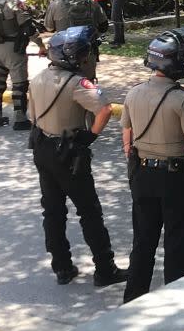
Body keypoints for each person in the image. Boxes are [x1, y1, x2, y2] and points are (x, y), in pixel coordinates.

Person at [121, 28, 184, 303]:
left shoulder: (133, 93)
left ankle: (132, 300)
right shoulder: (182, 99)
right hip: (174, 179)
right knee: (176, 243)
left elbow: (126, 139)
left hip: (142, 174)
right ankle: (174, 305)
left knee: (143, 242)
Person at [28, 26, 127, 287]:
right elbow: (104, 109)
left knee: (53, 211)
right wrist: (91, 136)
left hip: (42, 148)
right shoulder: (76, 84)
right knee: (89, 212)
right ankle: (104, 268)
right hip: (68, 152)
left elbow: (32, 116)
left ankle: (61, 267)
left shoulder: (38, 78)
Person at [0, 0, 45, 131]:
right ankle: (20, 119)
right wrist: (41, 45)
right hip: (13, 50)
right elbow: (28, 28)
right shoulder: (15, 4)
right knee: (19, 85)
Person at [44, 0, 108, 80]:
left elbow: (49, 28)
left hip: (63, 56)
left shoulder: (55, 4)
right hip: (87, 55)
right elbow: (104, 25)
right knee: (87, 88)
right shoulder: (91, 2)